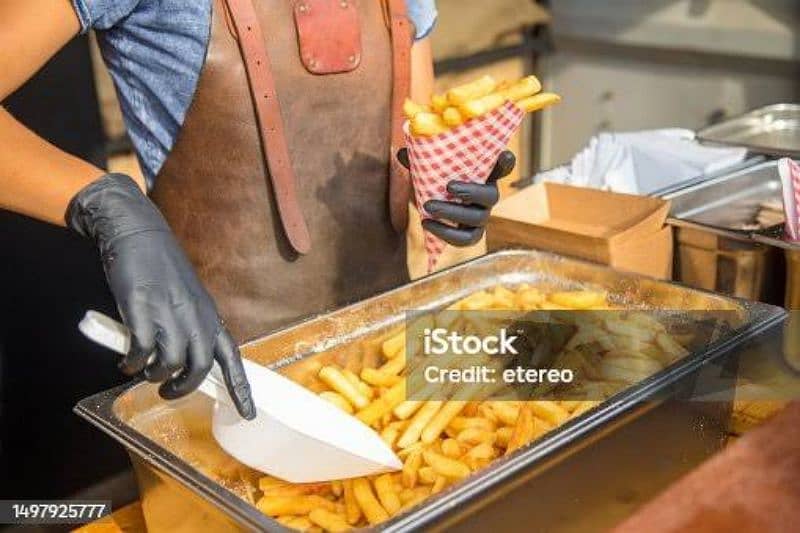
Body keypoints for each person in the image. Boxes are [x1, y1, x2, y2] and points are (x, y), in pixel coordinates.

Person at [0, 0, 514, 420]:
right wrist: (106, 202)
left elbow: (415, 137)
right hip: (227, 392)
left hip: (394, 361)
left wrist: (449, 187)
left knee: (584, 363)